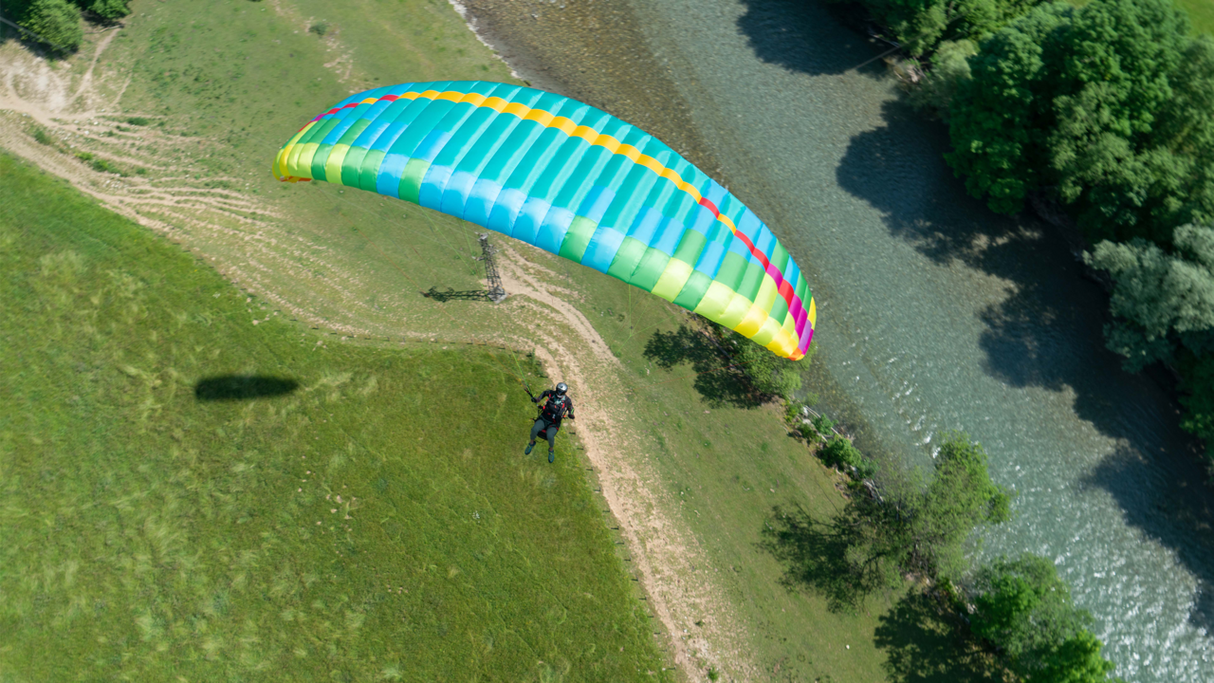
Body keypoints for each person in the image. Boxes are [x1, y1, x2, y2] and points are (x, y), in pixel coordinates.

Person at [526, 382, 575, 463]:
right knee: (534, 429)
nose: (559, 393)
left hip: (554, 423)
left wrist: (571, 414)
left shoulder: (567, 400)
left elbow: (571, 408)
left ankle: (551, 450)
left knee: (550, 435)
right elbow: (544, 393)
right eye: (558, 391)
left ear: (564, 392)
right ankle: (531, 443)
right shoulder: (551, 393)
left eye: (561, 392)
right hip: (544, 418)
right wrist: (537, 399)